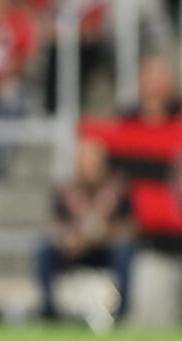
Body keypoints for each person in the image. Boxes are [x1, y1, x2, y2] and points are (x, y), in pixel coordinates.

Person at [36, 138, 133, 321]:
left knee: (125, 254)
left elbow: (130, 226)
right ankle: (49, 312)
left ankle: (122, 315)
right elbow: (54, 224)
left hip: (105, 248)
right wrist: (67, 239)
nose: (89, 168)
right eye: (84, 161)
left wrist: (101, 237)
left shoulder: (117, 190)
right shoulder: (66, 191)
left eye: (93, 162)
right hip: (74, 249)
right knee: (44, 250)